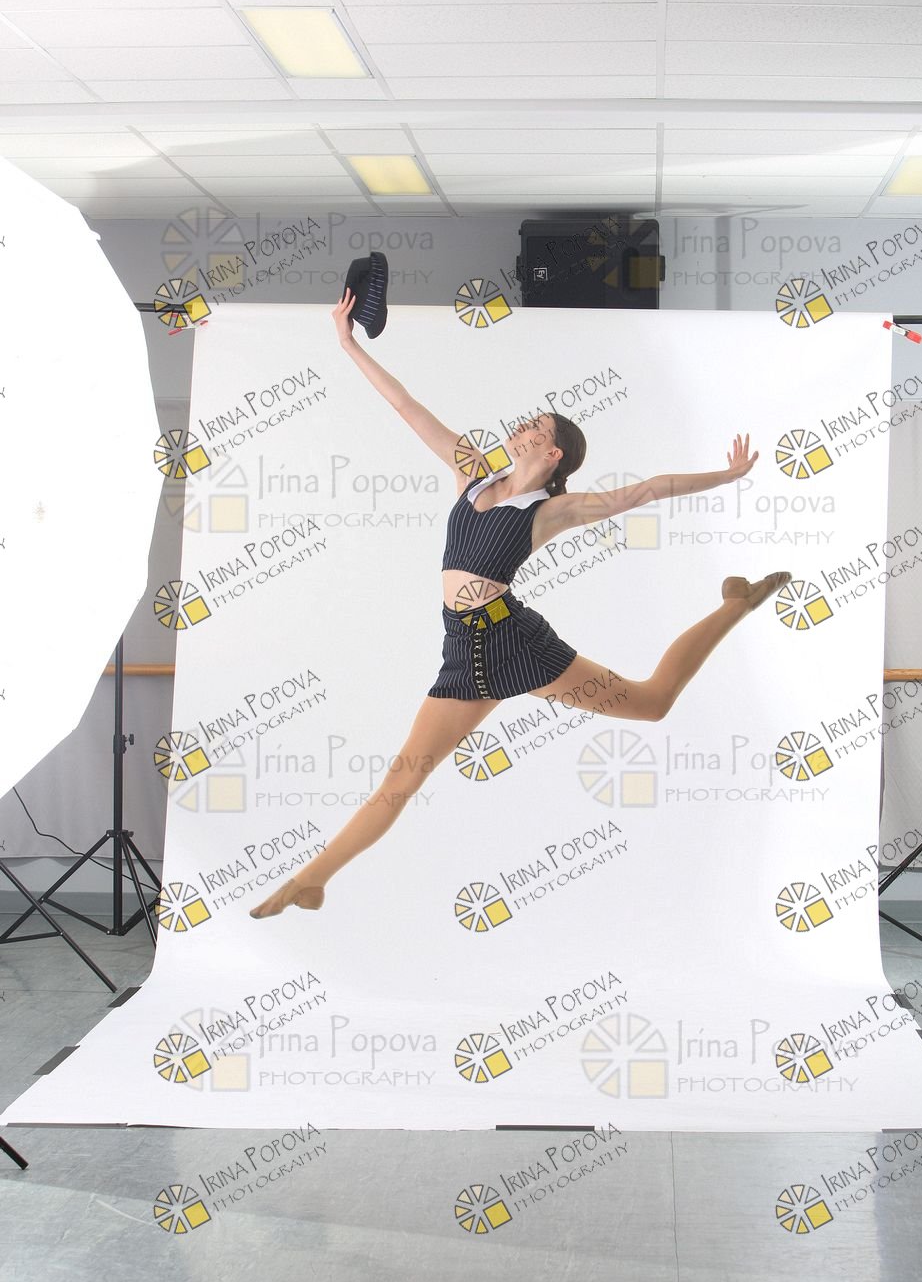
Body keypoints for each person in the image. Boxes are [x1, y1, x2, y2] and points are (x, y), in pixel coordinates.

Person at [250, 291, 789, 918]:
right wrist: (348, 343)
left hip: (517, 643)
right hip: (463, 651)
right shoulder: (472, 473)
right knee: (405, 774)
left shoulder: (551, 509)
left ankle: (734, 606)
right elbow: (406, 406)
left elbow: (646, 491)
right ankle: (311, 881)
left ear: (552, 453)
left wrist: (726, 476)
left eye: (536, 427)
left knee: (653, 702)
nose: (522, 426)